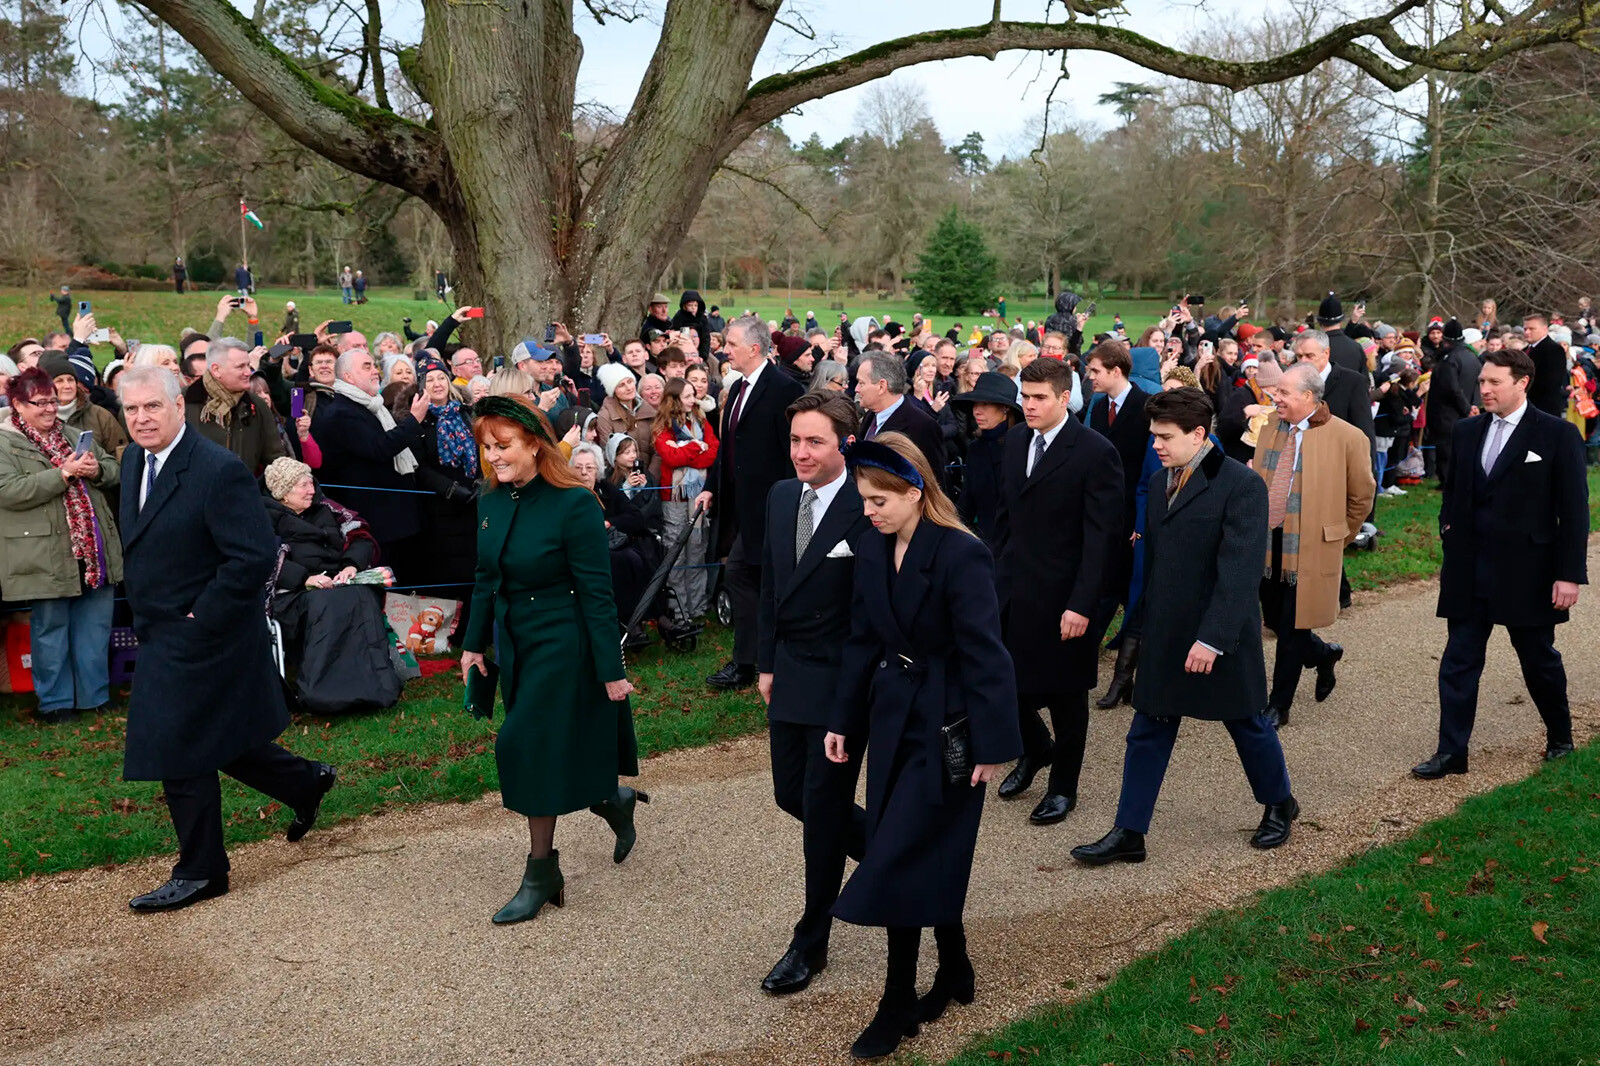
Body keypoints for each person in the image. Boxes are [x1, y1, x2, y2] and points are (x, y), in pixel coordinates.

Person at [822, 433, 1021, 1060]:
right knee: (907, 848)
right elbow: (861, 639)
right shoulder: (876, 547)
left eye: (881, 500)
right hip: (890, 718)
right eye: (864, 499)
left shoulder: (963, 554)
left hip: (949, 725)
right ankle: (955, 965)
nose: (870, 511)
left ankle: (896, 1002)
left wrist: (993, 743)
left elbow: (987, 654)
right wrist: (842, 720)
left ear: (915, 492)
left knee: (902, 856)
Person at [115, 366, 336, 911]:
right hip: (160, 627)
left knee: (176, 745)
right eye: (132, 409)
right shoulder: (130, 461)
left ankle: (202, 870)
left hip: (204, 632)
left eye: (152, 407)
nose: (142, 418)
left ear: (176, 407)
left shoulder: (218, 469)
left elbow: (254, 554)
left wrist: (201, 616)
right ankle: (306, 783)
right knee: (221, 740)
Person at [1072, 388, 1297, 866]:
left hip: (1221, 634)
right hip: (1166, 632)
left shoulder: (1242, 485)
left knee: (1247, 723)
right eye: (1153, 435)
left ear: (1199, 434)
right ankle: (1129, 831)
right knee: (1147, 727)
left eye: (1165, 436)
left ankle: (1280, 804)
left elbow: (1239, 572)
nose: (1155, 444)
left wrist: (1213, 638)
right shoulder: (1158, 484)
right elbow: (1155, 562)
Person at [459, 395, 643, 924]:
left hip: (566, 641)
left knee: (525, 745)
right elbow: (485, 578)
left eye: (504, 445)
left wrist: (612, 670)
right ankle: (611, 797)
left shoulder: (576, 503)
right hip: (516, 641)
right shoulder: (490, 502)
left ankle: (542, 872)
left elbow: (597, 592)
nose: (493, 456)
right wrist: (474, 644)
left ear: (536, 445)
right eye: (486, 446)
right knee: (547, 744)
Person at [1414, 349, 1588, 778]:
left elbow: (1575, 511)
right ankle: (1452, 752)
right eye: (1482, 382)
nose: (1484, 389)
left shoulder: (1557, 435)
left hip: (1529, 572)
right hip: (1469, 569)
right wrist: (1448, 532)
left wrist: (1569, 574)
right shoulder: (1468, 429)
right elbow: (1453, 493)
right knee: (1458, 661)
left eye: (1493, 382)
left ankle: (1560, 735)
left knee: (1538, 659)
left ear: (1522, 383)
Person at [755, 392, 873, 997]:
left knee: (823, 811)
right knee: (788, 794)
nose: (801, 453)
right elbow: (772, 583)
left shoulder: (868, 503)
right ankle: (889, 852)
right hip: (791, 671)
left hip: (843, 680)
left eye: (815, 442)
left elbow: (876, 612)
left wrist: (855, 695)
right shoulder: (780, 496)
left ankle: (811, 941)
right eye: (796, 440)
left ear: (844, 443)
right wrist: (766, 660)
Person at [992, 357, 1123, 825]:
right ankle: (1035, 748)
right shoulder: (1013, 441)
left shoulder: (1094, 452)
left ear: (1064, 398)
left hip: (1068, 599)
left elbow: (1100, 539)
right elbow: (1005, 518)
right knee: (1003, 684)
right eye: (1024, 397)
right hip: (1012, 589)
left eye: (1038, 398)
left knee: (1067, 698)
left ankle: (1063, 787)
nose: (1027, 406)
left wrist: (1083, 605)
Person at [1254, 363, 1376, 729]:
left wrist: (1340, 535)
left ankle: (1279, 705)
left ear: (1308, 397)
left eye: (1284, 393)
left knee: (1293, 627)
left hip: (1312, 547)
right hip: (1268, 543)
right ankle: (1324, 655)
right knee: (1277, 621)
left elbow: (1362, 495)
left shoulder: (1349, 437)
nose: (1276, 397)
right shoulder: (1270, 428)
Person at [0, 367, 121, 724]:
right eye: (40, 403)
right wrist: (64, 474)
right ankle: (55, 703)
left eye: (53, 401)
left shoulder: (73, 434)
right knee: (50, 630)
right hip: (44, 552)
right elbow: (8, 491)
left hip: (93, 550)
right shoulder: (5, 441)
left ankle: (94, 697)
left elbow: (113, 469)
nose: (51, 409)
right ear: (18, 405)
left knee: (94, 625)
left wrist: (95, 470)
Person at [695, 315, 805, 691]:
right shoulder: (738, 387)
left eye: (732, 344)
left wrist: (792, 502)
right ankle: (756, 660)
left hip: (773, 509)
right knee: (748, 578)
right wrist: (712, 485)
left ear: (754, 348)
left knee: (748, 577)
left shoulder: (783, 389)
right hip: (741, 508)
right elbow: (730, 446)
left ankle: (753, 663)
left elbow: (794, 452)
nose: (725, 351)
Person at [262, 458, 400, 714]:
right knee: (328, 603)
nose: (312, 490)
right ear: (283, 492)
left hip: (336, 582)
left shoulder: (327, 509)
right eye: (303, 486)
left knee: (362, 595)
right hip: (292, 595)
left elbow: (360, 537)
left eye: (311, 484)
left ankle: (377, 687)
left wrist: (351, 565)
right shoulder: (261, 517)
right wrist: (304, 579)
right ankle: (323, 694)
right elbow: (260, 556)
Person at [311, 350, 431, 578]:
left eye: (374, 365)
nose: (375, 370)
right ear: (348, 376)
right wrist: (413, 420)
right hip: (375, 520)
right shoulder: (341, 412)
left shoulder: (371, 405)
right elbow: (380, 448)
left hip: (394, 517)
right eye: (366, 366)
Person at [653, 378, 718, 623]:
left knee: (697, 550)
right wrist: (695, 446)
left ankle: (697, 607)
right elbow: (670, 457)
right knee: (676, 552)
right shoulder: (663, 427)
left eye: (694, 395)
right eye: (688, 396)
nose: (693, 400)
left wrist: (688, 448)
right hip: (675, 497)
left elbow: (713, 451)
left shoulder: (701, 420)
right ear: (675, 399)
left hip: (698, 494)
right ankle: (678, 610)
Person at [183, 338, 287, 476]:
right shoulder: (183, 402)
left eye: (248, 365)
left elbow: (275, 458)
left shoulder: (257, 406)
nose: (248, 372)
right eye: (240, 367)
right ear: (216, 370)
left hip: (243, 494)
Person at [948, 371, 1021, 549]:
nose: (976, 411)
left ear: (1005, 408)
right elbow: (968, 500)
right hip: (986, 544)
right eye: (975, 404)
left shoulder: (1022, 447)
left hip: (1018, 547)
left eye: (985, 404)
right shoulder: (976, 449)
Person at [855, 352, 946, 480]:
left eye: (861, 383)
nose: (856, 389)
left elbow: (935, 482)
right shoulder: (871, 416)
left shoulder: (923, 426)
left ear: (881, 386)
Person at [1425, 319, 1482, 485]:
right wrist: (1474, 406)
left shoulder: (1449, 360)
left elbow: (1451, 388)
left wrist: (1466, 408)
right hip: (1468, 409)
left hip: (1448, 412)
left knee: (1447, 450)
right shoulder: (1472, 358)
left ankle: (1448, 482)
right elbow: (1479, 383)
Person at [1523, 313, 1568, 417]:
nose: (1527, 332)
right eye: (1525, 329)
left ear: (1544, 329)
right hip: (1526, 406)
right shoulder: (1525, 351)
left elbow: (1551, 382)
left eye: (1531, 329)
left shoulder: (1554, 350)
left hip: (1543, 409)